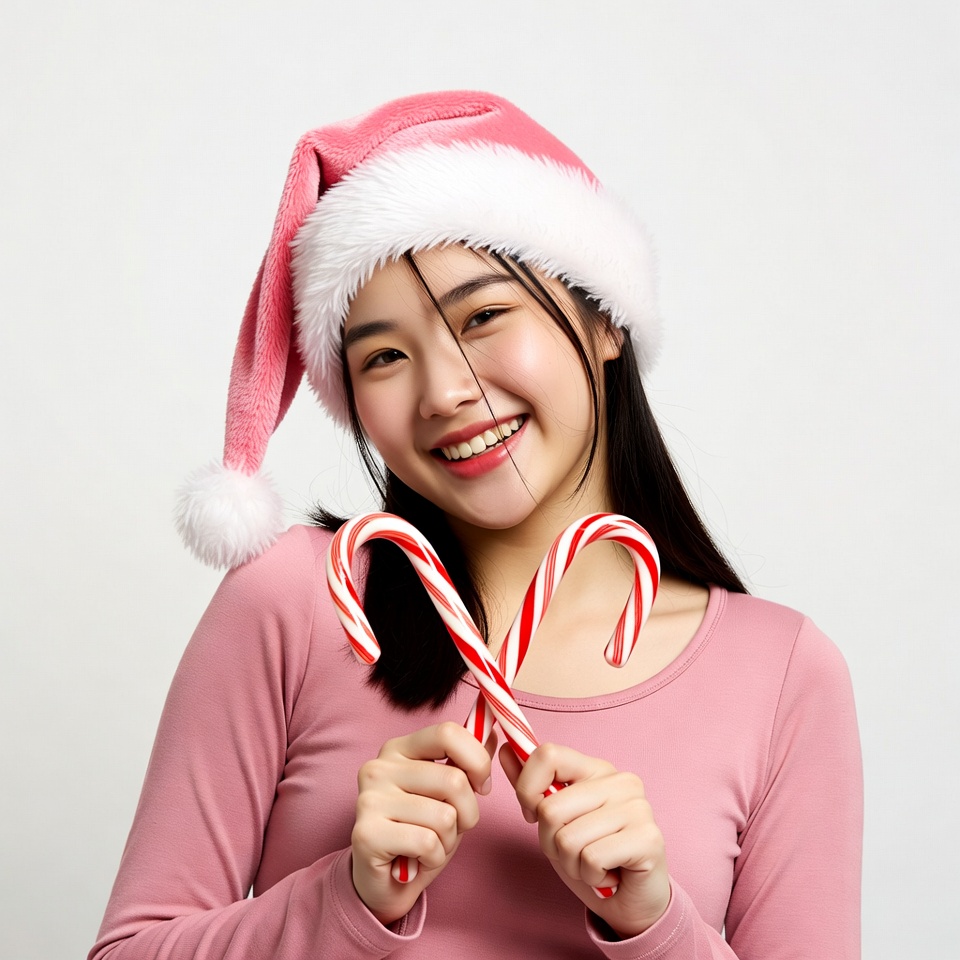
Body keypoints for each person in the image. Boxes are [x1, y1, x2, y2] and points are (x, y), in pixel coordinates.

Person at [88, 91, 862, 959]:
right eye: (383, 356)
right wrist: (344, 899)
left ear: (603, 317)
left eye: (484, 315)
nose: (445, 390)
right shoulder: (294, 602)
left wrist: (654, 927)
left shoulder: (785, 675)